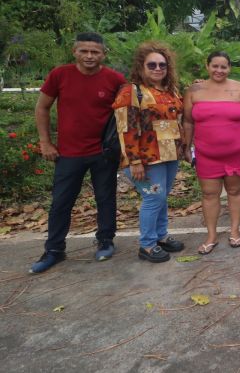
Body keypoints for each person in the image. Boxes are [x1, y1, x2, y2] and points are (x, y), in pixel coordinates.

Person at [29, 32, 127, 273]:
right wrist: (45, 142)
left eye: (95, 51)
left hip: (103, 152)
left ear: (104, 54)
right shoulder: (60, 75)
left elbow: (127, 114)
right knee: (61, 202)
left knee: (105, 198)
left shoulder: (115, 79)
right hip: (68, 153)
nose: (90, 56)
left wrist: (124, 149)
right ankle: (54, 249)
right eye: (84, 51)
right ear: (75, 52)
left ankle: (105, 240)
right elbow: (42, 108)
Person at [183, 52, 240, 254]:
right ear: (207, 66)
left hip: (235, 153)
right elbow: (187, 121)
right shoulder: (194, 90)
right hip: (206, 154)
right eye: (215, 66)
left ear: (229, 68)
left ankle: (235, 231)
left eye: (223, 67)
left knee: (235, 191)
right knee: (209, 194)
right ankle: (211, 235)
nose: (219, 70)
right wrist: (185, 146)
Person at [112, 42, 186, 263]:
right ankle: (147, 244)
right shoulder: (132, 92)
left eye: (162, 65)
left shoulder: (171, 90)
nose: (157, 68)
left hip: (170, 155)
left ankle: (161, 236)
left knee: (161, 197)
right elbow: (126, 128)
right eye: (151, 64)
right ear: (141, 66)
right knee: (153, 197)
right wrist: (134, 161)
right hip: (146, 158)